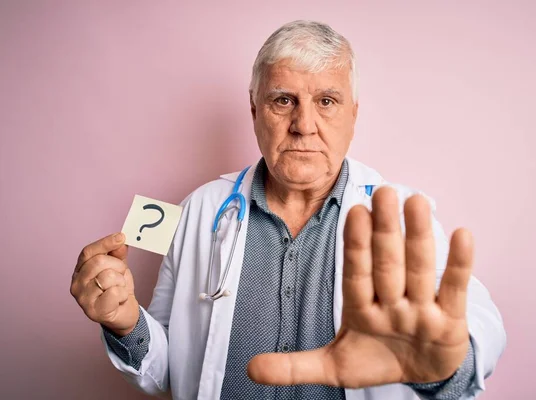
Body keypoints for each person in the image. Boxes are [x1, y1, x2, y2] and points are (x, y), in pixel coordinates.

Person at [70, 20, 506, 400]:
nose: (304, 124)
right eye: (283, 100)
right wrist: (126, 325)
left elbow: (473, 324)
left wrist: (450, 364)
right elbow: (172, 370)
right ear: (255, 109)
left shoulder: (398, 215)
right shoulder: (201, 209)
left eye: (327, 102)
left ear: (354, 115)